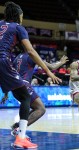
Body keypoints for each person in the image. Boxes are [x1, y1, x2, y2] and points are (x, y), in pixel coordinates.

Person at [0, 1, 61, 148]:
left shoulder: (1, 24)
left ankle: (20, 133)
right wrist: (48, 71)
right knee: (26, 97)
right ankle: (20, 137)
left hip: (4, 65)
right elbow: (31, 52)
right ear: (18, 16)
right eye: (22, 16)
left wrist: (6, 90)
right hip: (3, 60)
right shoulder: (18, 28)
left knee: (24, 96)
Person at [1, 52, 68, 138]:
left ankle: (17, 126)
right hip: (24, 85)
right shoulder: (31, 56)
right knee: (41, 109)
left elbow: (9, 75)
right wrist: (61, 62)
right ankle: (19, 129)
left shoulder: (17, 57)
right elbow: (52, 67)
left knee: (34, 108)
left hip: (15, 87)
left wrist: (6, 93)